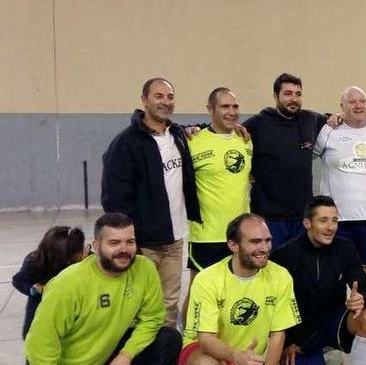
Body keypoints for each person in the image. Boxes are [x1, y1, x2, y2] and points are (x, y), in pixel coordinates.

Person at [17, 213, 181, 365]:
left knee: (167, 340)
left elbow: (152, 318)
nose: (124, 249)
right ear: (96, 245)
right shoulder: (68, 285)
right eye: (114, 242)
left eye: (129, 241)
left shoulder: (144, 269)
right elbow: (38, 344)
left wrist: (126, 355)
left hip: (106, 348)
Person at [180, 213, 300, 365]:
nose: (264, 248)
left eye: (267, 240)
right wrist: (235, 356)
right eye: (255, 242)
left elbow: (277, 336)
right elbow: (205, 340)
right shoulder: (207, 279)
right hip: (209, 352)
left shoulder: (281, 276)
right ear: (233, 245)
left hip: (248, 361)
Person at [270, 196, 366, 365]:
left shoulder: (345, 248)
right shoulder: (285, 255)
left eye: (334, 220)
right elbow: (272, 307)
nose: (330, 227)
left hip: (333, 325)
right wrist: (286, 342)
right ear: (307, 223)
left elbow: (365, 288)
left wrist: (362, 299)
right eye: (323, 221)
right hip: (300, 337)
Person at [101, 77, 200, 327]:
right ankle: (135, 361)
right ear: (144, 100)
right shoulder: (125, 143)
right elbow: (114, 198)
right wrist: (128, 239)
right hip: (144, 243)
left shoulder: (177, 135)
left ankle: (163, 360)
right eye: (159, 96)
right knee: (138, 306)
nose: (165, 102)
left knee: (169, 304)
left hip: (176, 239)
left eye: (170, 97)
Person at [314, 86, 366, 343]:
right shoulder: (329, 131)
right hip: (338, 220)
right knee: (335, 274)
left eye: (362, 101)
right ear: (341, 107)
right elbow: (306, 154)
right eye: (351, 102)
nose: (357, 106)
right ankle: (334, 327)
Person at [244, 73, 327, 246]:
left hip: (302, 216)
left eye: (298, 94)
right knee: (270, 268)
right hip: (269, 218)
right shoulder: (258, 124)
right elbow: (227, 131)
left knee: (299, 268)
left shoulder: (311, 119)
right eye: (288, 94)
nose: (294, 99)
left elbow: (338, 121)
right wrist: (194, 129)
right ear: (276, 96)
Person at [187, 87, 253, 273]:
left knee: (235, 289)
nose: (232, 112)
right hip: (207, 235)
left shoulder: (245, 140)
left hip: (240, 234)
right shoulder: (193, 140)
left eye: (235, 106)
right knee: (198, 292)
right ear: (210, 109)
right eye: (225, 106)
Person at [12, 226, 86, 339]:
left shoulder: (85, 259)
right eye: (80, 250)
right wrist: (33, 289)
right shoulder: (34, 262)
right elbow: (18, 280)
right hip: (41, 308)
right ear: (65, 257)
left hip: (71, 309)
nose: (85, 251)